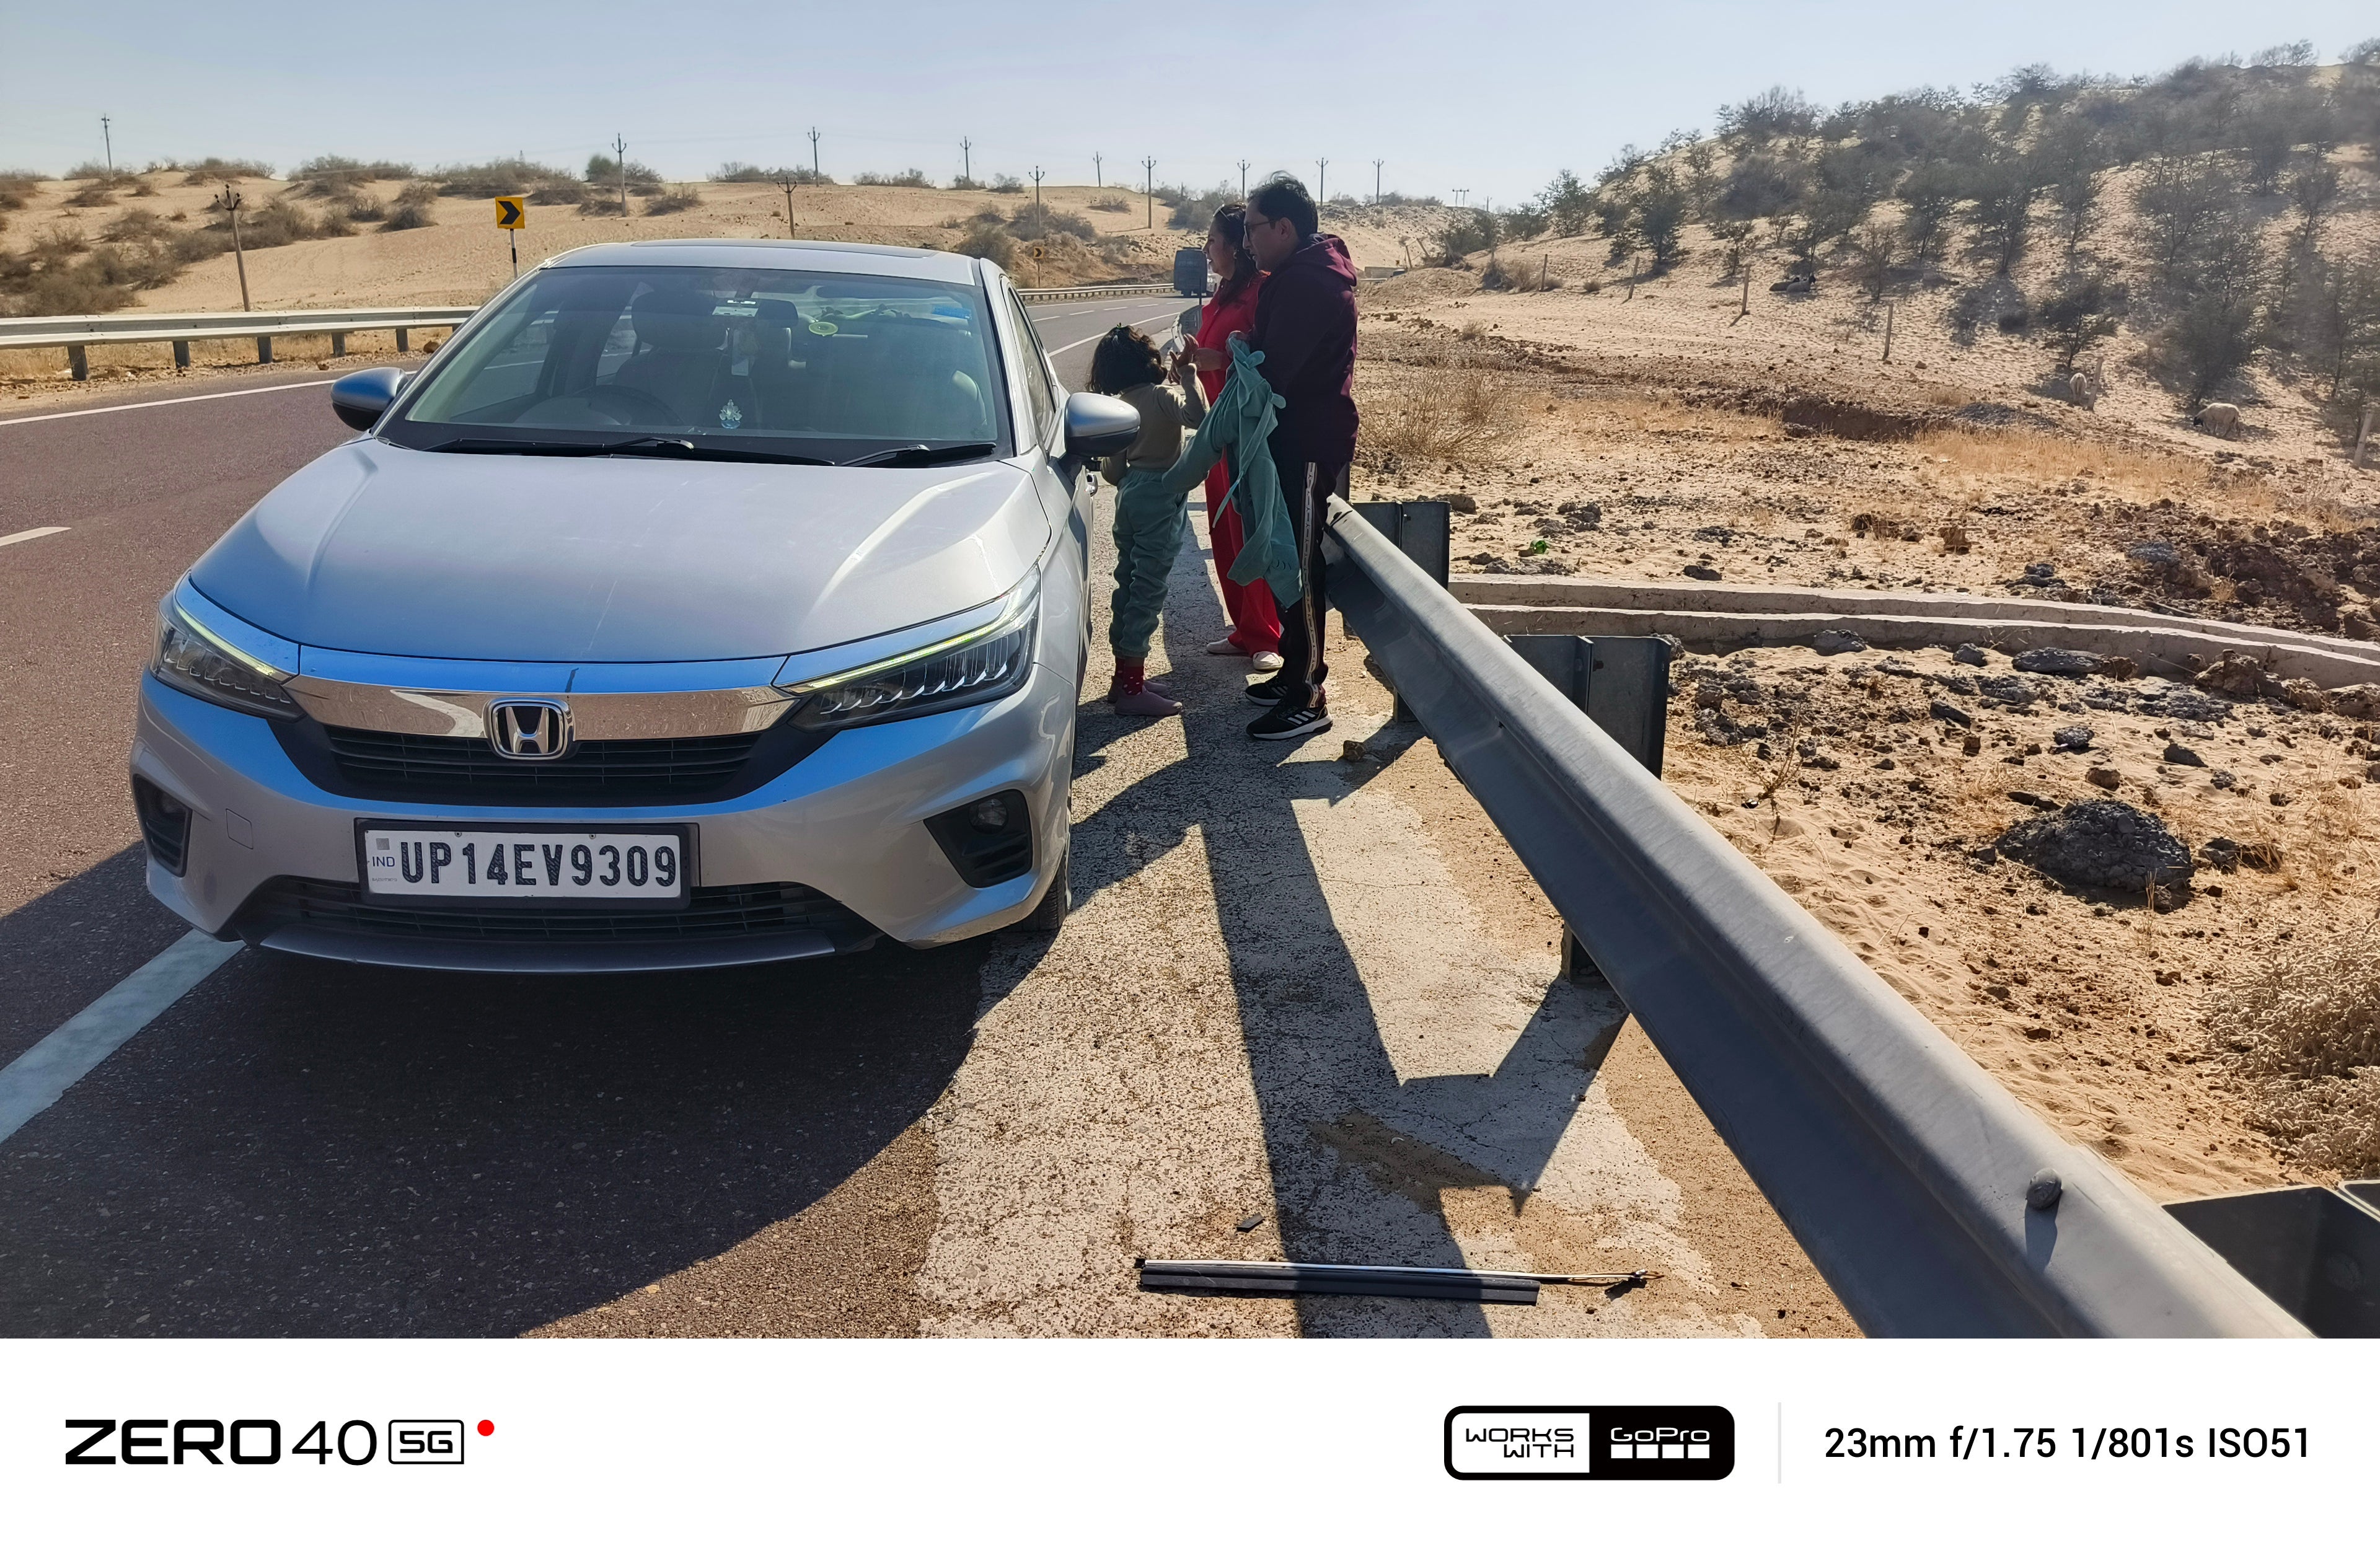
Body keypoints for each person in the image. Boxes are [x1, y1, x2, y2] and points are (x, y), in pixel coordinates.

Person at [1235, 174, 1358, 742]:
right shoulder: (1295, 274)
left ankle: (1310, 692)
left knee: (1302, 563)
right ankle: (1293, 670)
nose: (1246, 241)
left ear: (1284, 227)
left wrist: (1243, 358)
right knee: (1287, 556)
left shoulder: (1311, 283)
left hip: (1305, 444)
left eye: (1252, 228)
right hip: (1287, 439)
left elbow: (1274, 367)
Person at [1183, 204, 1282, 673]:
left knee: (1251, 528)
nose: (1207, 249)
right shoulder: (1222, 294)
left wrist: (1217, 359)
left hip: (1249, 434)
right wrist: (1192, 363)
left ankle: (1268, 635)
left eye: (1212, 240)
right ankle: (1244, 629)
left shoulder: (1262, 292)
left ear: (1235, 245)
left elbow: (1269, 358)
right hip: (1219, 432)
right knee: (1225, 532)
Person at [1090, 324, 1207, 717]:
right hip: (1161, 495)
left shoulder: (1120, 407)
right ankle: (1133, 689)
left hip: (1130, 498)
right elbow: (1197, 416)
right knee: (1150, 589)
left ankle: (1123, 676)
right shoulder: (1161, 397)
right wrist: (1189, 377)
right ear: (1151, 362)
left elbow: (1112, 473)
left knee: (1128, 582)